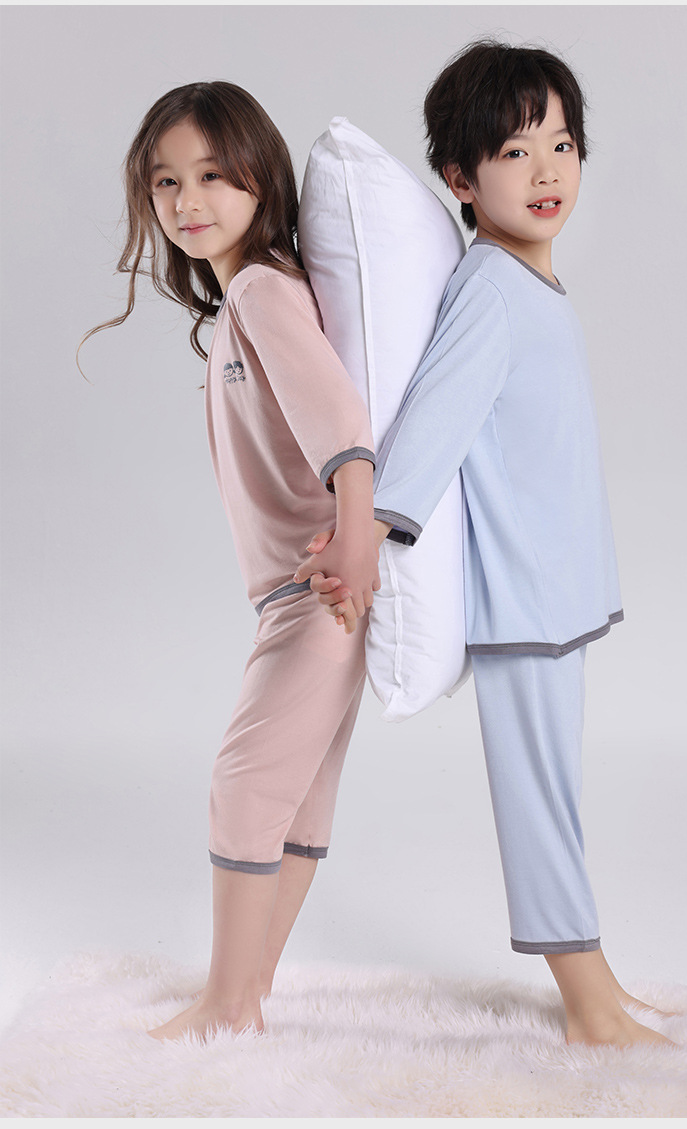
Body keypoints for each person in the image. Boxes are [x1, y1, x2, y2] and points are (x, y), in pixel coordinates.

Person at [298, 41, 674, 1048]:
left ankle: (601, 982)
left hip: (557, 591)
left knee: (558, 792)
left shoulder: (528, 284)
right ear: (460, 179)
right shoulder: (493, 290)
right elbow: (430, 423)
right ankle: (588, 1007)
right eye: (514, 151)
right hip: (523, 598)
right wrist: (366, 531)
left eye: (561, 144)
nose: (547, 170)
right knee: (539, 800)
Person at [80, 81, 380, 1041]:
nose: (187, 201)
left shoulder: (259, 290)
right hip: (308, 588)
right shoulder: (251, 298)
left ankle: (226, 1003)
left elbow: (343, 425)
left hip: (318, 586)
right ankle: (248, 992)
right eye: (166, 182)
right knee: (296, 796)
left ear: (261, 177)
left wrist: (358, 541)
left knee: (247, 784)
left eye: (212, 175)